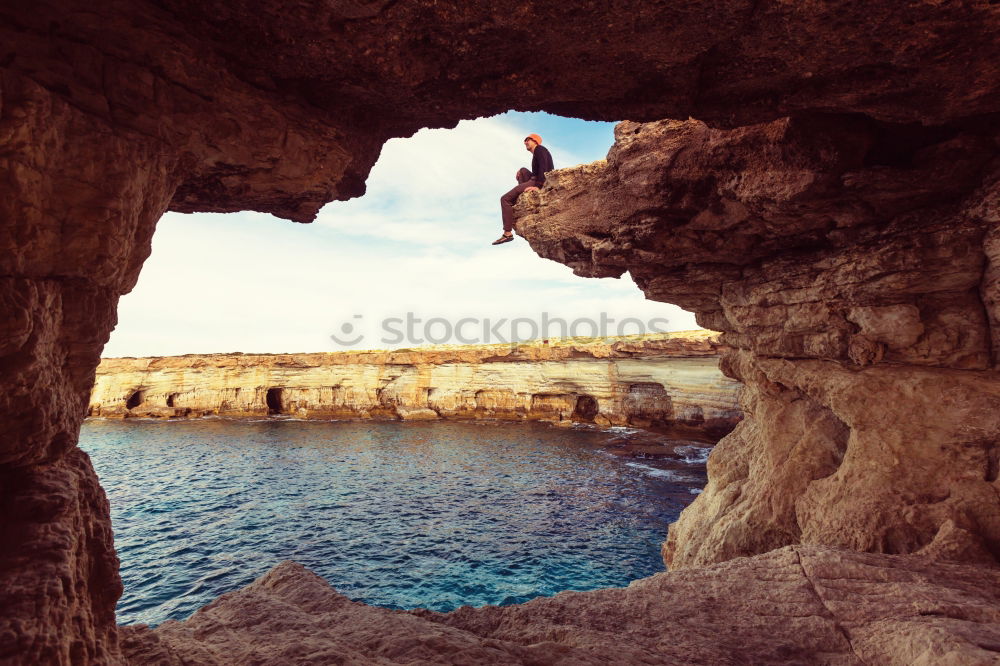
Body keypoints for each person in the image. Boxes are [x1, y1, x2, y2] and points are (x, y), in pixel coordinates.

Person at [493, 133, 554, 245]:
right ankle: (522, 198)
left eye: (528, 140)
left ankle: (507, 233)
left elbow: (544, 168)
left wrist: (538, 186)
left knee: (505, 199)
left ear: (535, 141)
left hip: (538, 181)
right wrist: (521, 172)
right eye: (525, 141)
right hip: (536, 179)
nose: (525, 142)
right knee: (522, 170)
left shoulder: (540, 149)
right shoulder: (537, 152)